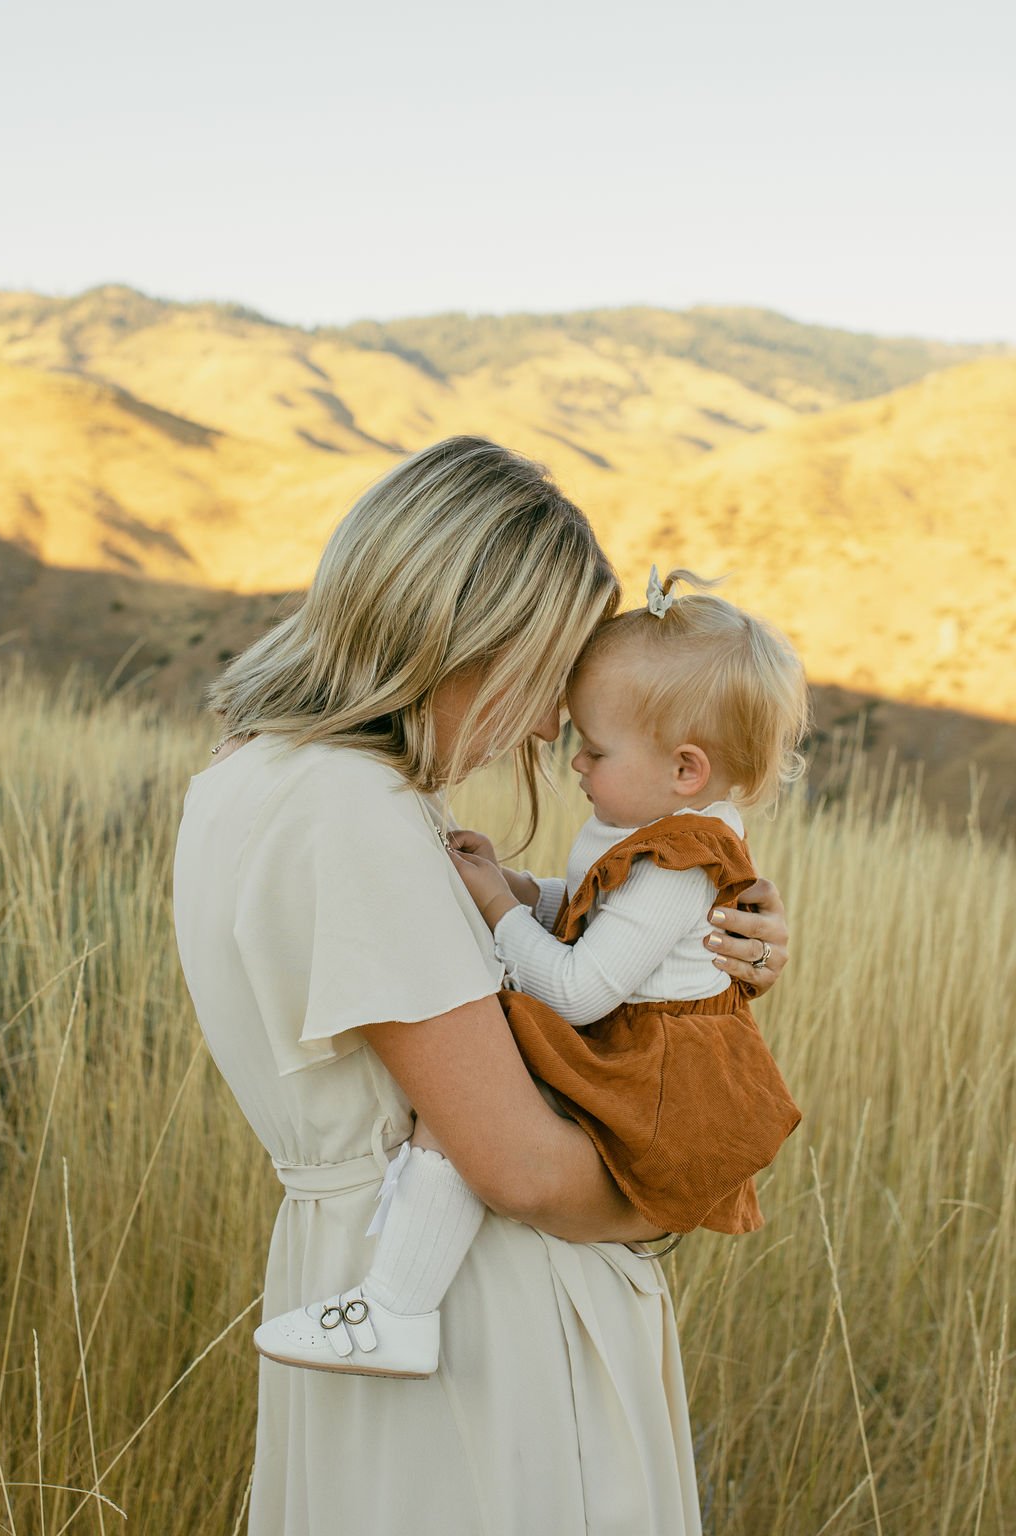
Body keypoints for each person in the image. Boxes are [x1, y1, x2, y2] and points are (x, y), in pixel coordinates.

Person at [172, 437, 791, 1536]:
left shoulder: (249, 773)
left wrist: (692, 955)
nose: (552, 725)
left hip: (358, 1275)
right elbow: (518, 1167)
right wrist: (680, 1184)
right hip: (477, 1330)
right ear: (471, 642)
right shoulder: (353, 812)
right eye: (549, 677)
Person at [256, 564, 805, 1380]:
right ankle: (396, 1306)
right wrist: (520, 889)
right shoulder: (655, 824)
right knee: (473, 1083)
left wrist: (497, 913)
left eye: (596, 747)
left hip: (651, 1070)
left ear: (685, 770)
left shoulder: (678, 860)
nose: (572, 759)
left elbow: (579, 991)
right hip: (634, 1044)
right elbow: (593, 913)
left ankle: (397, 1310)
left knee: (476, 1077)